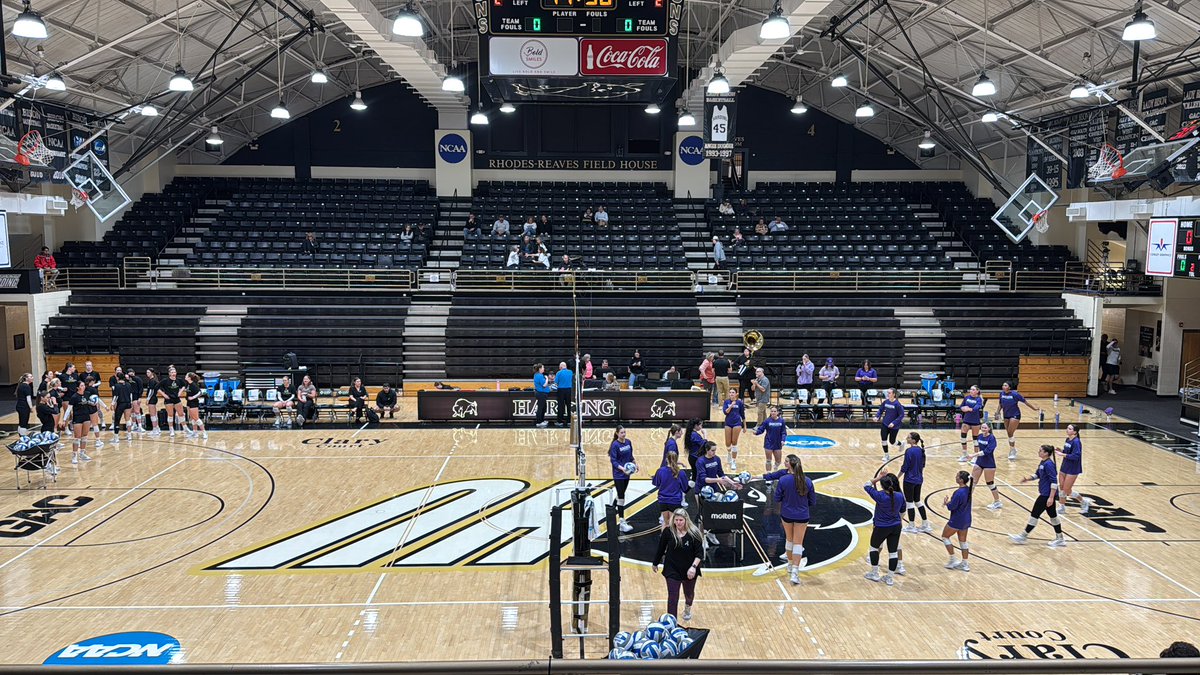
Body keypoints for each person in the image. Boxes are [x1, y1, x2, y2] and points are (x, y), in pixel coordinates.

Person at [1010, 445, 1066, 548]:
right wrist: (1027, 478)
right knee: (1053, 516)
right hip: (1045, 494)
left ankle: (1023, 536)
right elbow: (1038, 474)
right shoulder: (1043, 462)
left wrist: (1051, 497)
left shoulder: (1049, 464)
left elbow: (1054, 482)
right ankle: (1060, 538)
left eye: (1040, 451)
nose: (1038, 452)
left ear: (1046, 453)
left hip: (1046, 495)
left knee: (1034, 514)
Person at [652, 508, 703, 621]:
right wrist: (655, 563)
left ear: (686, 520)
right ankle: (672, 622)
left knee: (689, 594)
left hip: (689, 568)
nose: (678, 523)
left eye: (681, 520)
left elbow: (700, 553)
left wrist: (693, 567)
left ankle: (687, 608)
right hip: (672, 569)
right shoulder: (668, 532)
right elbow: (661, 548)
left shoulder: (694, 533)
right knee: (673, 597)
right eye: (676, 520)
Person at [773, 454, 815, 585]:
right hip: (802, 515)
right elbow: (812, 501)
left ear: (789, 465)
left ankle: (790, 566)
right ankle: (795, 573)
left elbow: (777, 498)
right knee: (798, 543)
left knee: (789, 539)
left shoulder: (784, 480)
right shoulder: (807, 481)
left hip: (787, 514)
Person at [863, 468, 906, 586]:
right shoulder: (899, 496)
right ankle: (890, 578)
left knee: (874, 548)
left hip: (881, 526)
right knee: (893, 552)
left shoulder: (880, 496)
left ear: (882, 486)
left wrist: (878, 478)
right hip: (896, 526)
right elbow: (903, 510)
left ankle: (875, 573)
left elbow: (866, 485)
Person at [899, 431, 932, 533]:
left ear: (913, 440)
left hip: (909, 480)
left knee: (909, 503)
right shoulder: (921, 450)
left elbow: (905, 467)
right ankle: (925, 524)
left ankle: (911, 525)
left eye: (908, 437)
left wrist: (897, 476)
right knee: (917, 501)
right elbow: (923, 465)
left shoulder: (909, 451)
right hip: (919, 479)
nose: (907, 438)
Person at [996, 382, 1039, 461]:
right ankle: (1013, 449)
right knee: (1009, 434)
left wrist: (1034, 408)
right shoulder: (1001, 394)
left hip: (1015, 415)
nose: (1003, 386)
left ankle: (1012, 450)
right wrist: (997, 412)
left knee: (1010, 432)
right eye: (1003, 385)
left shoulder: (1015, 394)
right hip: (1006, 415)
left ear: (1009, 387)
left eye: (1005, 385)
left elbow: (1025, 402)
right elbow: (1000, 404)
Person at [1056, 424, 1093, 514]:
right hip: (1064, 466)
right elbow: (1068, 452)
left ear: (1075, 432)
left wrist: (1063, 455)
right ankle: (1062, 507)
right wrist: (1061, 450)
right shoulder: (1068, 439)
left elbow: (1076, 456)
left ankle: (1083, 502)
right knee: (1061, 488)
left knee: (1067, 490)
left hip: (1073, 468)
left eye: (1069, 429)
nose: (1067, 430)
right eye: (1067, 428)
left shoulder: (1077, 442)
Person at [942, 470, 974, 571]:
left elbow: (952, 507)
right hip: (966, 519)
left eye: (957, 476)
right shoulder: (968, 490)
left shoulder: (958, 492)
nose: (955, 477)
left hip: (957, 520)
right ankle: (965, 563)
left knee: (945, 537)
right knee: (963, 541)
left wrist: (946, 503)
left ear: (961, 480)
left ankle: (953, 559)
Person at [970, 422, 1003, 511]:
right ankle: (967, 501)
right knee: (972, 481)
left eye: (985, 428)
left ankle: (997, 502)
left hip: (989, 463)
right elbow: (977, 446)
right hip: (980, 461)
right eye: (982, 427)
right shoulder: (980, 436)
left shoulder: (992, 438)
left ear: (989, 429)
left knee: (990, 483)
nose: (983, 429)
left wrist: (974, 455)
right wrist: (975, 456)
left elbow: (988, 451)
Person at [609, 426, 637, 533]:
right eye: (621, 433)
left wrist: (635, 463)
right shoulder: (615, 445)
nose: (624, 434)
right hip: (618, 475)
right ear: (617, 433)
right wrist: (623, 469)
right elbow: (614, 461)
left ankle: (611, 508)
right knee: (621, 497)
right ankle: (621, 522)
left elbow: (631, 456)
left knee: (621, 493)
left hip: (627, 474)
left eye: (624, 432)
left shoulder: (628, 442)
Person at [653, 450, 690, 529]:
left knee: (666, 523)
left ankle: (664, 540)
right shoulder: (681, 473)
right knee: (675, 526)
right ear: (677, 460)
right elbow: (685, 488)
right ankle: (674, 541)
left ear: (666, 459)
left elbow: (656, 483)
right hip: (675, 501)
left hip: (663, 500)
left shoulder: (660, 471)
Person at [65, 380, 94, 464]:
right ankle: (74, 455)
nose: (83, 387)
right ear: (78, 387)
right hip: (77, 418)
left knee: (84, 436)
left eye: (84, 385)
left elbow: (91, 402)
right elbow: (69, 409)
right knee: (77, 437)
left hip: (86, 417)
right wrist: (64, 419)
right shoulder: (74, 397)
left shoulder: (87, 394)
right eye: (81, 385)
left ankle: (82, 453)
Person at [753, 405, 787, 473]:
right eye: (772, 411)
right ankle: (768, 474)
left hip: (777, 443)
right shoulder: (767, 421)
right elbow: (762, 429)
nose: (773, 413)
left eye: (775, 411)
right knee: (768, 460)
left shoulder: (782, 421)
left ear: (777, 412)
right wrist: (757, 432)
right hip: (768, 442)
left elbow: (783, 432)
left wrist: (783, 440)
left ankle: (775, 467)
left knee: (778, 461)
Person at [875, 388, 905, 462]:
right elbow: (880, 410)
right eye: (887, 393)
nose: (888, 394)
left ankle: (901, 444)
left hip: (894, 426)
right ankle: (886, 455)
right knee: (883, 440)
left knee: (892, 442)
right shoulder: (886, 402)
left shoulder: (897, 404)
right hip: (885, 424)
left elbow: (901, 415)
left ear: (894, 394)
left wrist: (893, 423)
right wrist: (877, 416)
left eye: (889, 393)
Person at [957, 385, 985, 463]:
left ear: (977, 391)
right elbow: (961, 406)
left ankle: (975, 457)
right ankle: (965, 455)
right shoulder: (967, 398)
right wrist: (962, 408)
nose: (971, 391)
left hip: (975, 421)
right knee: (963, 438)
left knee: (975, 439)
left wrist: (969, 409)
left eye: (973, 390)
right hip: (966, 420)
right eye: (970, 389)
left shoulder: (979, 399)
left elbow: (977, 407)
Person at [721, 387, 746, 471]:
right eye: (730, 392)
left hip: (737, 424)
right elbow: (725, 412)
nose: (731, 394)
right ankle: (729, 453)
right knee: (728, 443)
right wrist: (731, 405)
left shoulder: (739, 402)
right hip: (728, 423)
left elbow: (743, 415)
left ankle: (733, 461)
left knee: (734, 442)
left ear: (736, 394)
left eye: (733, 392)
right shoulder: (726, 402)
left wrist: (745, 426)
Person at [182, 371, 208, 440]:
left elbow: (200, 392)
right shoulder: (188, 383)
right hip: (189, 403)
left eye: (186, 375)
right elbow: (188, 390)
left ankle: (204, 432)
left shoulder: (194, 385)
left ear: (189, 378)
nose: (185, 376)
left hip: (194, 403)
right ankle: (195, 433)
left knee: (196, 418)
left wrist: (193, 397)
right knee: (192, 419)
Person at [160, 366, 184, 437]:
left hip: (177, 399)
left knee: (181, 414)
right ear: (169, 373)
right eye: (172, 372)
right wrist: (164, 394)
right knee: (170, 415)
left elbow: (184, 386)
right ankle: (171, 429)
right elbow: (157, 388)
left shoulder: (179, 380)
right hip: (169, 400)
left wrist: (180, 392)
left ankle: (185, 429)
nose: (174, 373)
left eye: (174, 372)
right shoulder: (165, 380)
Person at [111, 372, 133, 442]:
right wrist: (131, 402)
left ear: (117, 378)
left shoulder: (116, 386)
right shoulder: (128, 385)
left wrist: (112, 403)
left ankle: (116, 437)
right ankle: (129, 436)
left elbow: (116, 396)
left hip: (121, 404)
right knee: (128, 419)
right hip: (128, 403)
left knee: (117, 420)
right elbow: (130, 394)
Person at [554, 361, 573, 426]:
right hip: (569, 390)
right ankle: (569, 421)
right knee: (569, 405)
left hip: (561, 390)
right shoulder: (570, 372)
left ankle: (560, 421)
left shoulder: (559, 373)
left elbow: (556, 382)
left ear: (561, 367)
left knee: (560, 406)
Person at [144, 368, 161, 435]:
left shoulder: (152, 380)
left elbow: (151, 391)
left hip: (152, 398)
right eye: (146, 372)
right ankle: (157, 428)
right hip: (153, 398)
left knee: (153, 415)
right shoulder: (153, 380)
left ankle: (155, 430)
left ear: (152, 373)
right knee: (154, 414)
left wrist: (148, 399)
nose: (147, 373)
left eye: (148, 372)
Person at [533, 363, 550, 428]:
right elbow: (544, 385)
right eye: (543, 368)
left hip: (541, 393)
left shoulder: (537, 375)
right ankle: (539, 422)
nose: (544, 369)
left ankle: (542, 420)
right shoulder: (539, 375)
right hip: (541, 394)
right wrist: (547, 378)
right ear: (540, 369)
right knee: (540, 408)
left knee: (543, 408)